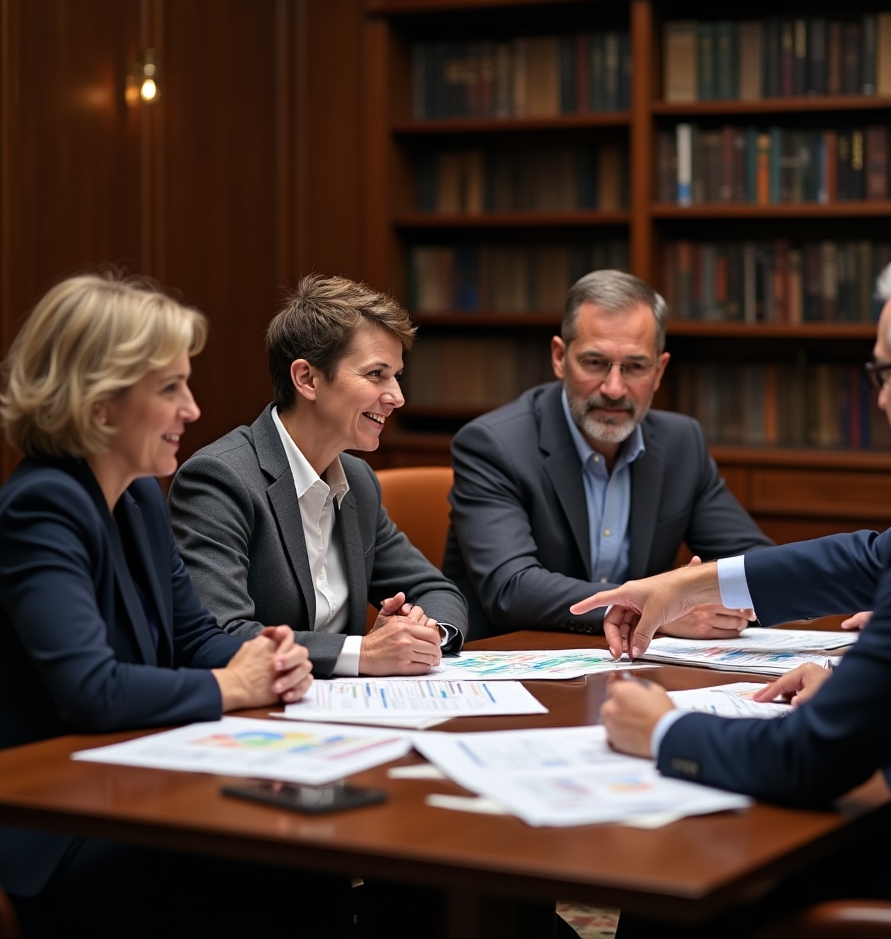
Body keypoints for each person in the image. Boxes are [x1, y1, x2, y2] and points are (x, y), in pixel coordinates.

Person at [574, 241, 891, 917]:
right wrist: (689, 589)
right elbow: (878, 561)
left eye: (881, 372)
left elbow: (814, 760)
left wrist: (662, 729)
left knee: (688, 888)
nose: (876, 398)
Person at [0, 274, 357, 938]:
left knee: (315, 853)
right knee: (281, 865)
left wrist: (267, 661)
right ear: (100, 404)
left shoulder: (136, 496)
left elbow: (194, 636)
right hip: (56, 816)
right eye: (170, 389)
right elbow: (91, 690)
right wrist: (233, 683)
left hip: (135, 778)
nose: (193, 410)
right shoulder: (41, 506)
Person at [442, 269, 772, 640]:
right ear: (559, 357)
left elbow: (756, 562)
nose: (614, 388)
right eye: (595, 363)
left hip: (634, 667)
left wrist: (723, 595)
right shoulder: (494, 444)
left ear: (659, 370)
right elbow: (512, 587)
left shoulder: (682, 443)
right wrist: (654, 607)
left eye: (634, 367)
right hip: (519, 664)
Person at [169, 275, 469, 679]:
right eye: (377, 374)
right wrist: (360, 653)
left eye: (397, 375)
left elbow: (438, 591)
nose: (397, 396)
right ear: (307, 379)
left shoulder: (358, 481)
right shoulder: (220, 479)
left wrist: (421, 633)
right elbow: (220, 634)